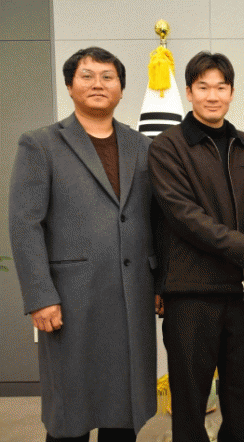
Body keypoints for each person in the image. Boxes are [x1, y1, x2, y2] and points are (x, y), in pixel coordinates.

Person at [9, 47, 157, 442]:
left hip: (132, 296)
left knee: (123, 413)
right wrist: (40, 295)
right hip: (71, 300)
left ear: (121, 89)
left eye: (108, 77)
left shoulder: (142, 146)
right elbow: (25, 224)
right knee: (70, 414)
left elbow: (155, 220)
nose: (98, 84)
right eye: (87, 76)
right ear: (70, 85)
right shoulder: (40, 144)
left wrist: (159, 283)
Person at [148, 51, 244, 442]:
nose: (213, 96)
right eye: (203, 87)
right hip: (191, 294)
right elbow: (184, 216)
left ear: (232, 92)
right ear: (189, 92)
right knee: (189, 401)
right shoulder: (167, 147)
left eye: (221, 87)